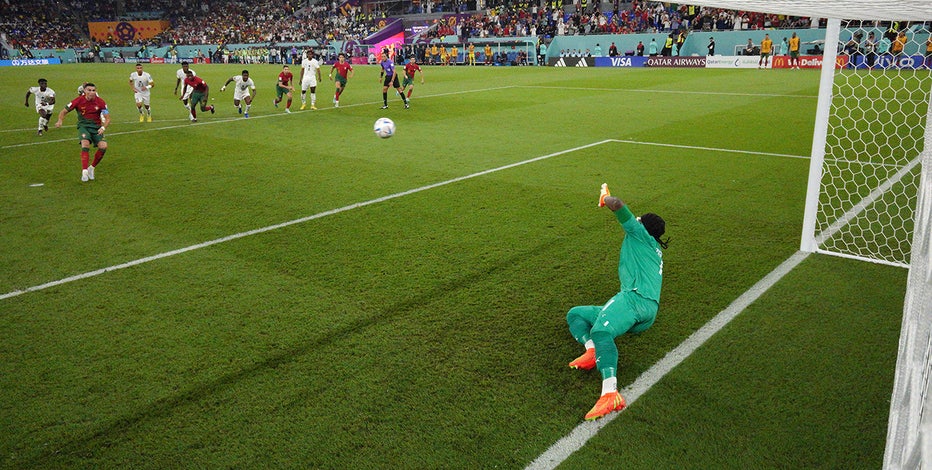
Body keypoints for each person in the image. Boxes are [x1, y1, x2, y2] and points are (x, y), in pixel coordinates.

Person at [566, 184, 668, 420]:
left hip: (634, 299)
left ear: (643, 226)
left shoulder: (639, 234)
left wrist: (605, 198)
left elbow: (619, 205)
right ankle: (592, 352)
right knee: (577, 315)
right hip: (648, 309)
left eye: (639, 219)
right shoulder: (652, 248)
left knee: (601, 331)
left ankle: (610, 393)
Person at [54, 82, 110, 182]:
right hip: (83, 126)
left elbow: (107, 118)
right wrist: (60, 120)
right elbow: (63, 111)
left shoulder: (100, 102)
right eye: (89, 90)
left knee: (103, 146)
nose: (91, 92)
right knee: (85, 144)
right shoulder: (78, 100)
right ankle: (84, 171)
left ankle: (91, 168)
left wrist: (103, 128)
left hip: (96, 127)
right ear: (84, 91)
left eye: (93, 90)